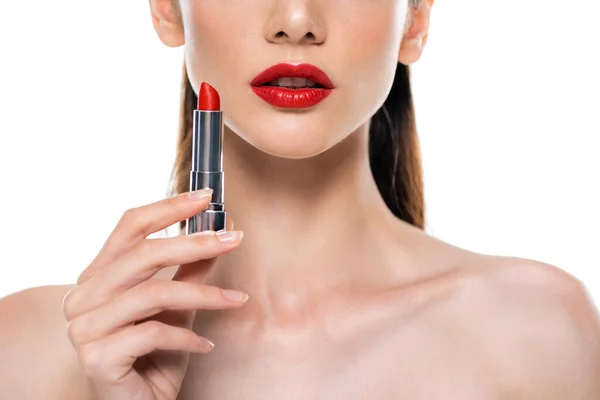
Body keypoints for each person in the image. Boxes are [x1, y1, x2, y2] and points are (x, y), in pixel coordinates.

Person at [1, 0, 599, 398]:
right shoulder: (27, 354)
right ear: (166, 6)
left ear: (414, 20)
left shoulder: (540, 335)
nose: (295, 20)